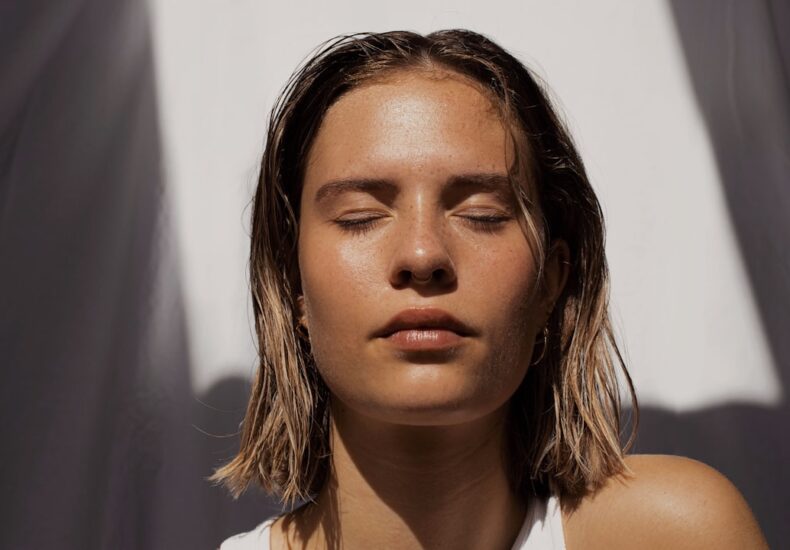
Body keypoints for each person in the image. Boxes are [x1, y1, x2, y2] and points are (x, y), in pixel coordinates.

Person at [213, 29, 768, 549]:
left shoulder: (673, 534)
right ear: (291, 285)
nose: (423, 256)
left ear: (554, 279)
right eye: (360, 216)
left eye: (481, 213)